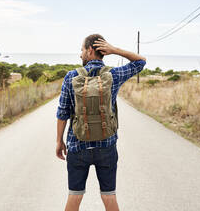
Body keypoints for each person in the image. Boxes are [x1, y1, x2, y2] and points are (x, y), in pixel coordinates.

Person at [56, 34, 146, 211]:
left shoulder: (71, 77)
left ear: (89, 51)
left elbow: (62, 113)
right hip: (106, 146)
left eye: (82, 50)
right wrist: (115, 50)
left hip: (77, 145)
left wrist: (59, 141)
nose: (80, 54)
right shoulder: (113, 75)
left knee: (74, 195)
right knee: (109, 195)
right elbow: (141, 62)